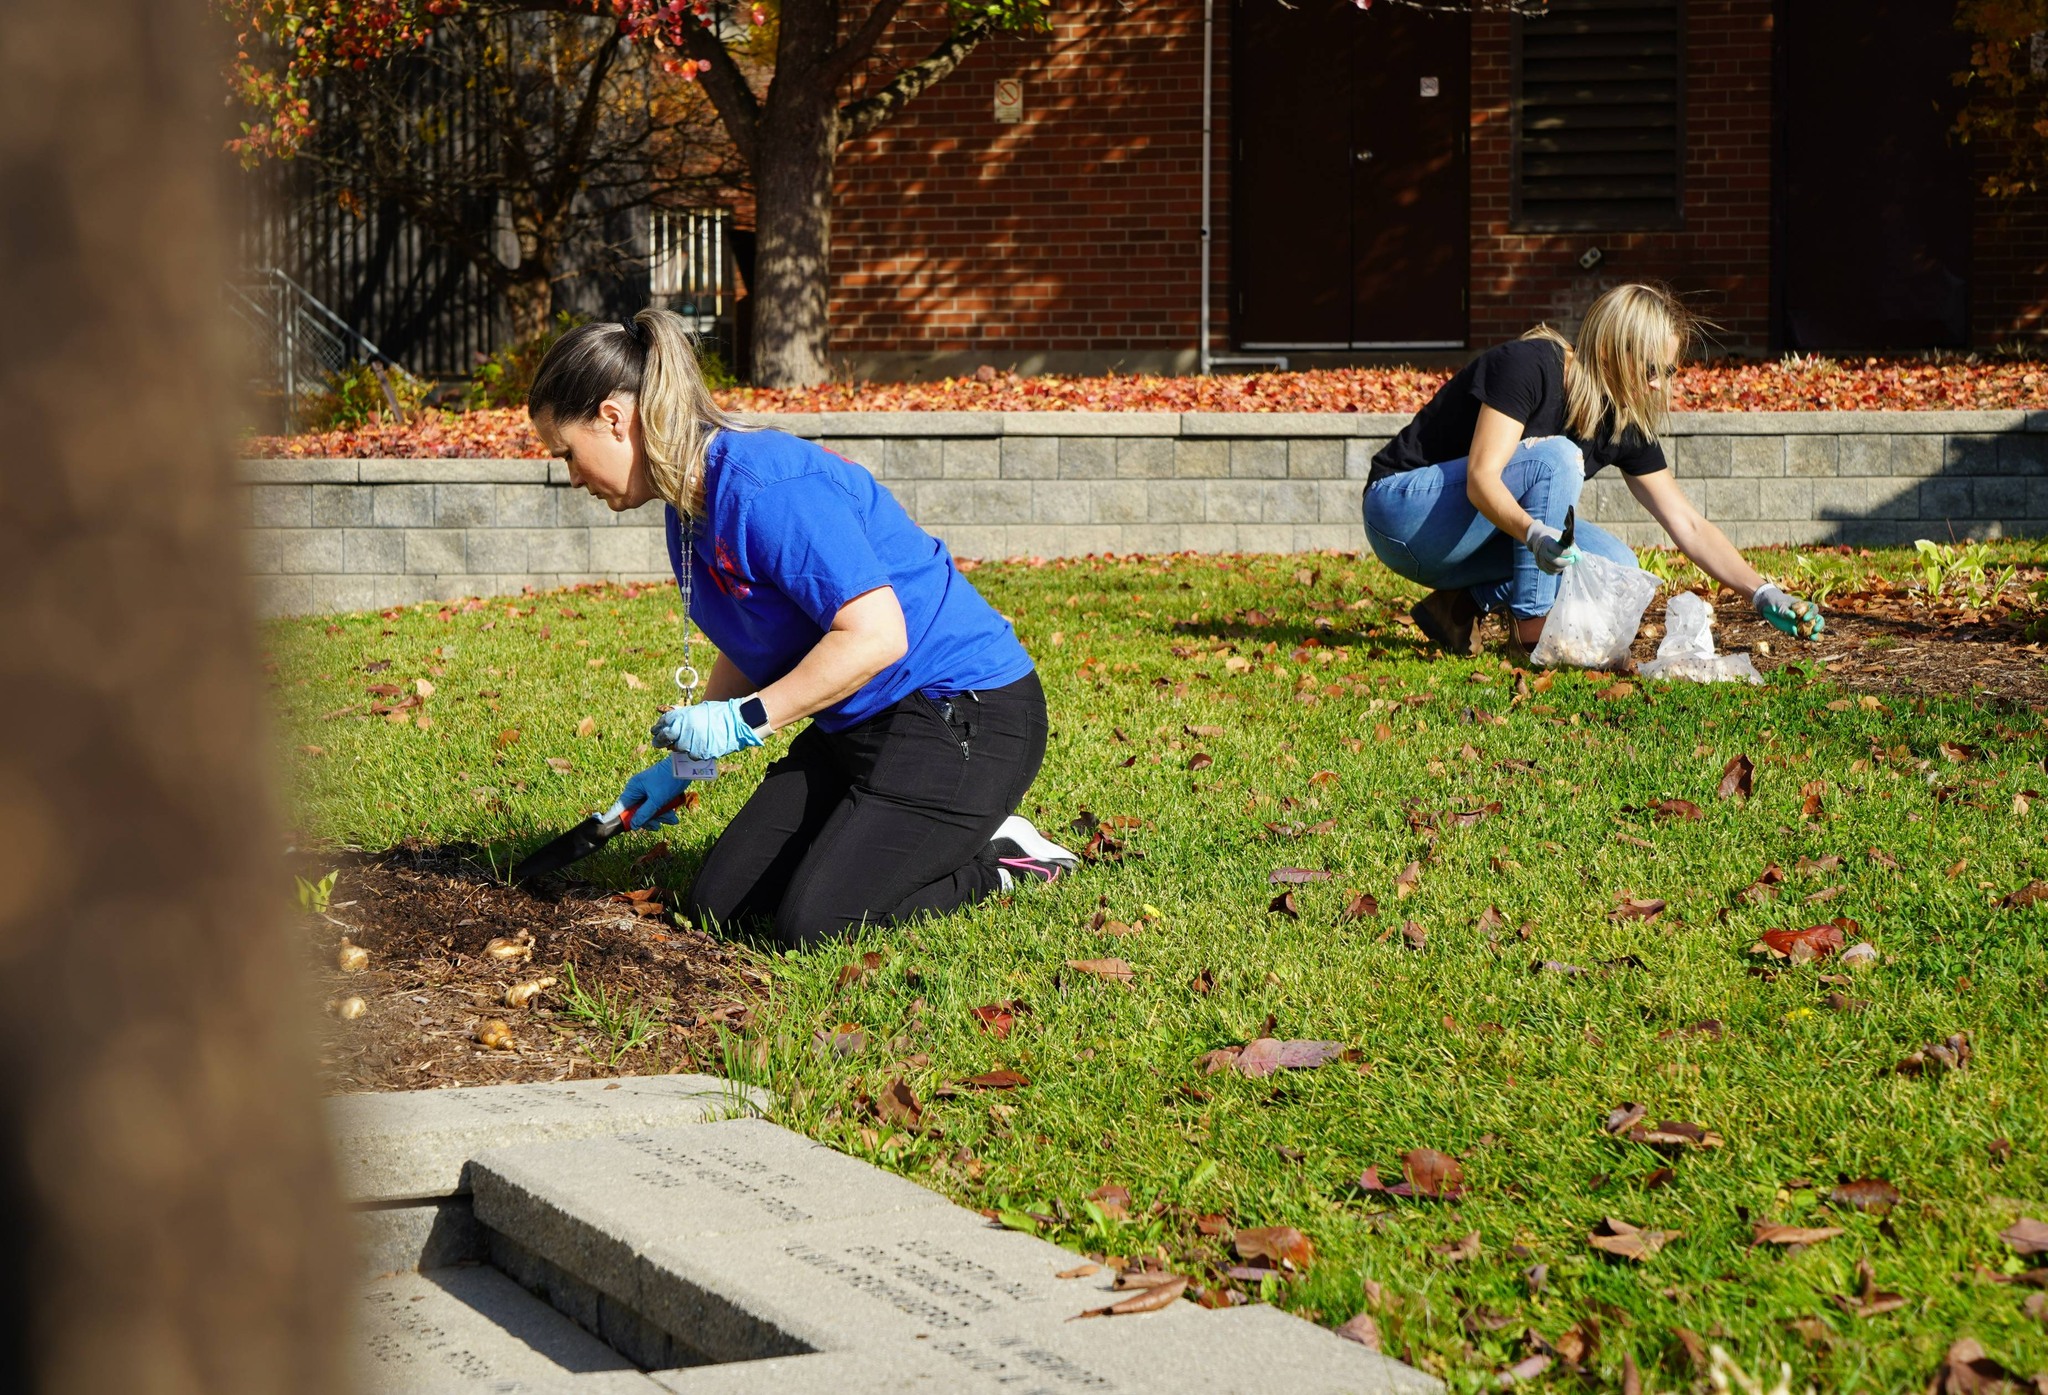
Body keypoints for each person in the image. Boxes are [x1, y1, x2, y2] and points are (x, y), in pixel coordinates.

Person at [524, 309, 1077, 950]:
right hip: (857, 725)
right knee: (717, 907)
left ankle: (1004, 857)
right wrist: (685, 767)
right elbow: (750, 643)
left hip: (962, 717)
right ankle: (892, 832)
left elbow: (877, 636)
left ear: (614, 419)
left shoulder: (767, 487)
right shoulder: (687, 511)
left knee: (815, 925)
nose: (570, 475)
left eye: (567, 452)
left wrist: (742, 722)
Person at [1361, 282, 1824, 658]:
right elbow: (1483, 478)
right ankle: (1531, 632)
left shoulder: (1624, 420)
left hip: (1463, 538)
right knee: (1557, 456)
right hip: (1403, 513)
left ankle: (1460, 607)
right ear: (1609, 354)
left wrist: (1763, 593)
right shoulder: (1530, 366)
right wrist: (1535, 535)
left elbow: (1689, 525)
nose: (1659, 384)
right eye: (1649, 368)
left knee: (1614, 563)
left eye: (1669, 370)